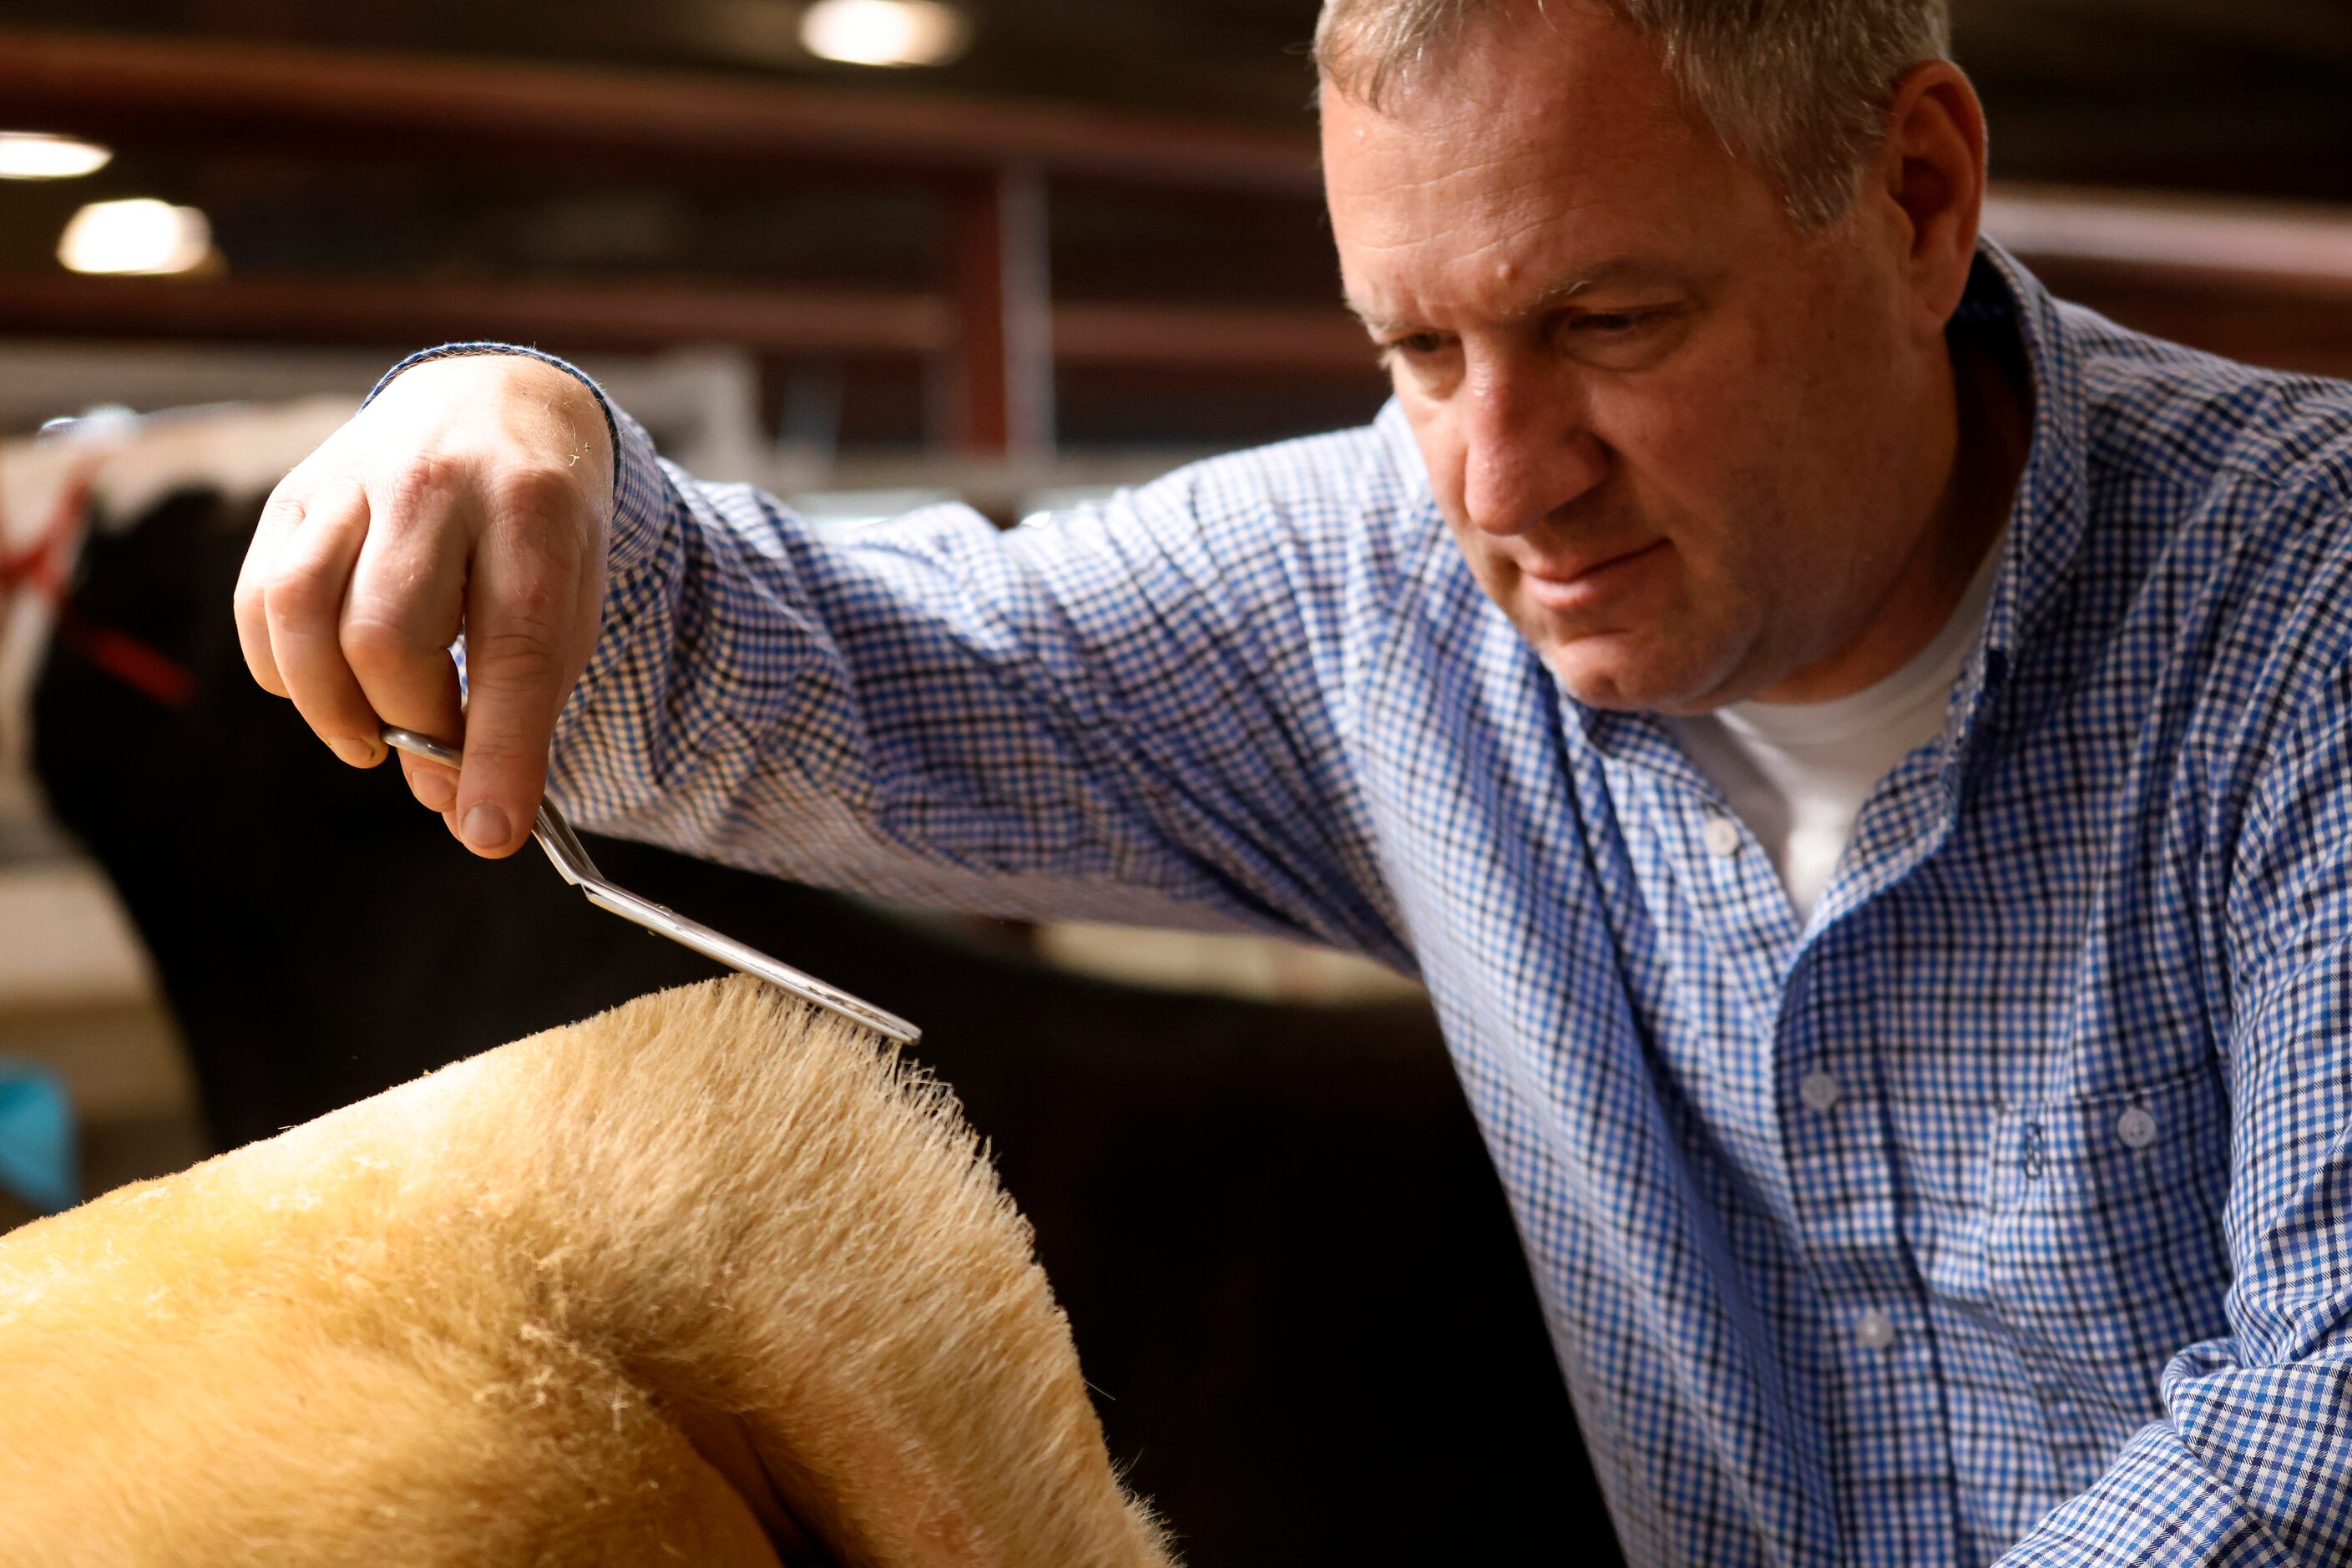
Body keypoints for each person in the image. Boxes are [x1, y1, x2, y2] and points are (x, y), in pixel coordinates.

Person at [233, 0, 2352, 1561]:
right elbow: (859, 672)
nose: (1501, 485)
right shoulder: (1386, 602)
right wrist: (521, 447)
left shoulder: (2299, 617)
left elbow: (2316, 1440)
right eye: (1415, 355)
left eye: (1611, 319)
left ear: (1912, 193)